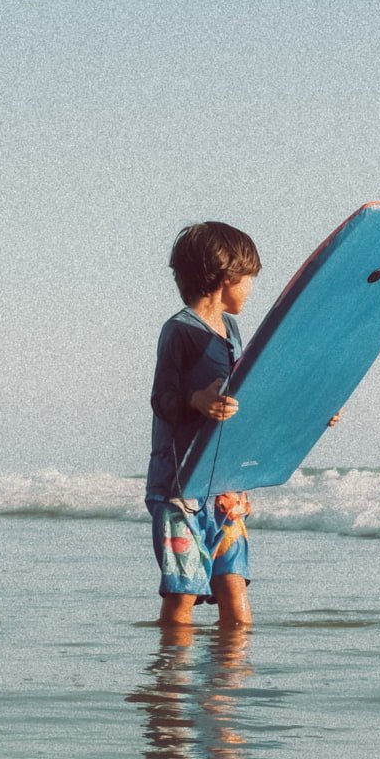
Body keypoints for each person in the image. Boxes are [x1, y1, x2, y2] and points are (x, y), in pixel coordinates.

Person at [148, 223, 261, 630]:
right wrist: (198, 400)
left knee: (234, 585)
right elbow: (161, 398)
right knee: (184, 592)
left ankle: (228, 684)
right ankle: (171, 682)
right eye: (248, 279)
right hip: (181, 486)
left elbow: (249, 396)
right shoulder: (179, 331)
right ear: (226, 275)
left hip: (224, 487)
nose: (250, 288)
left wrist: (311, 413)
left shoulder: (232, 332)